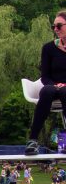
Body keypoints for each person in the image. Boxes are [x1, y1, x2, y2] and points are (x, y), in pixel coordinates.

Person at [26, 10, 66, 155]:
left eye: (59, 26)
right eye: (53, 26)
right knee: (46, 91)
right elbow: (45, 75)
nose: (55, 29)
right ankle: (33, 140)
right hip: (52, 85)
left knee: (65, 92)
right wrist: (54, 84)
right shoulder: (48, 48)